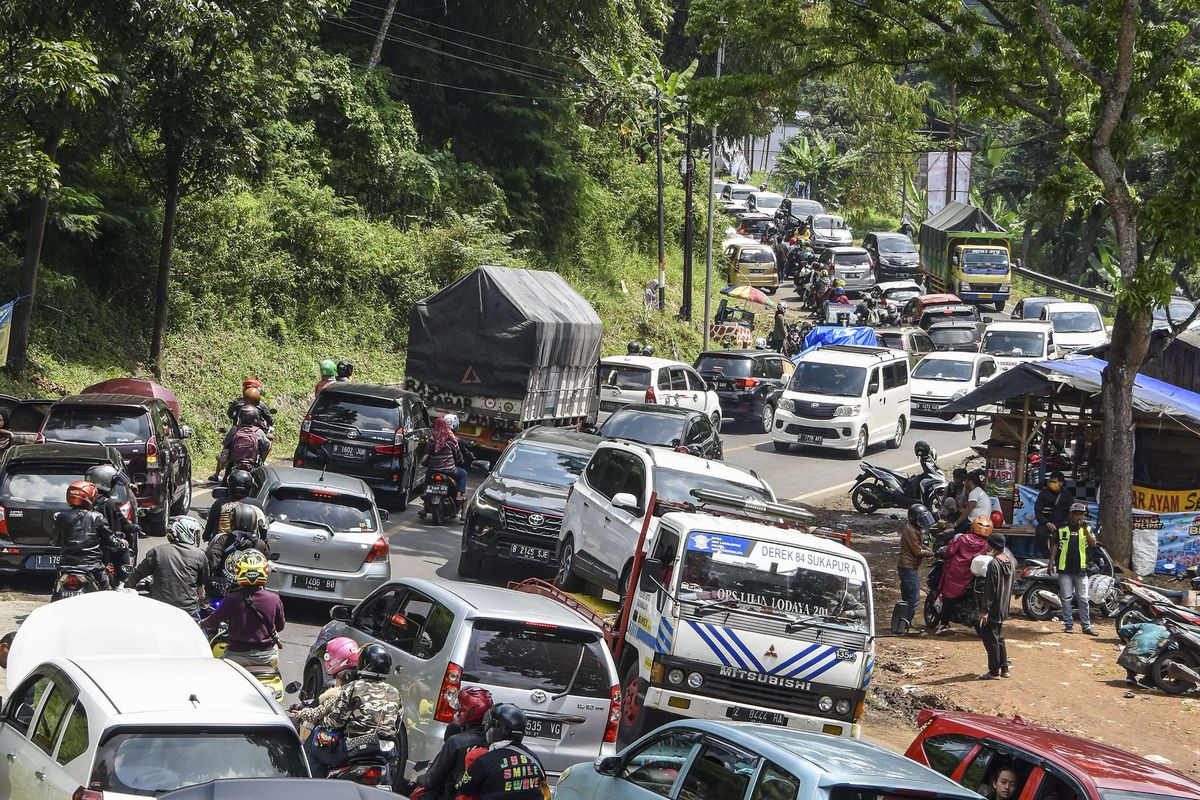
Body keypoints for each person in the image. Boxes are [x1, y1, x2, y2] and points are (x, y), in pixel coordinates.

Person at [303, 642, 402, 778]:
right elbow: (396, 726)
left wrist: (322, 720)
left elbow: (336, 721)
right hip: (386, 750)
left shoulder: (353, 687)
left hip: (356, 748)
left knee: (315, 751)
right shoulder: (395, 692)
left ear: (365, 663)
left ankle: (317, 790)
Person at [199, 549, 284, 669]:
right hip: (266, 657)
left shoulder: (232, 599)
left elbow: (213, 621)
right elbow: (280, 626)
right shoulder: (274, 599)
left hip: (236, 657)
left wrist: (200, 624)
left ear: (239, 571)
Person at [408, 687, 494, 800]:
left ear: (468, 711)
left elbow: (432, 779)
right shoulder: (494, 740)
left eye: (460, 708)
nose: (456, 711)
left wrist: (418, 778)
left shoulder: (456, 742)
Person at [453, 704, 547, 800]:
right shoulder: (534, 758)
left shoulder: (484, 761)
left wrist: (467, 766)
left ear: (494, 729)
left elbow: (462, 787)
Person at [126, 515, 209, 618]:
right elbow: (201, 590)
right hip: (188, 611)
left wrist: (126, 589)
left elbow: (136, 576)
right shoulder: (200, 555)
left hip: (159, 608)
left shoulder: (157, 551)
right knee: (200, 633)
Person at [53, 480, 127, 590]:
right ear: (89, 496)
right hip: (92, 567)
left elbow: (54, 541)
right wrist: (121, 543)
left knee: (56, 592)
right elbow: (110, 540)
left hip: (66, 566)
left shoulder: (61, 517)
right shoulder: (97, 517)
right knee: (107, 594)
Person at [290, 637, 361, 738]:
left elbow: (317, 714)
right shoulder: (370, 686)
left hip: (342, 741)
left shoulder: (338, 691)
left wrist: (301, 713)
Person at [934, 516, 993, 635]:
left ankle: (944, 625)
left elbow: (950, 551)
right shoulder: (986, 545)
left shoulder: (962, 539)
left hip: (955, 573)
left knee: (947, 597)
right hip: (971, 576)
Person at [1050, 501, 1099, 635]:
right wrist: (1051, 562)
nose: (1078, 517)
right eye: (1076, 514)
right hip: (1064, 568)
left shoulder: (1087, 528)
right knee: (1066, 598)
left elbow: (1093, 543)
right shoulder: (1062, 528)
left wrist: (1085, 530)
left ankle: (1086, 626)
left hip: (1081, 569)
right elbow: (1055, 544)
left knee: (1083, 598)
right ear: (1071, 515)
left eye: (1081, 514)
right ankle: (1069, 625)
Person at [205, 503, 270, 598]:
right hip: (249, 590)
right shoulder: (260, 543)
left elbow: (213, 557)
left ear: (232, 521)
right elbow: (267, 558)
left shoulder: (224, 538)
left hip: (223, 589)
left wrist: (204, 578)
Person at [85, 463, 142, 570]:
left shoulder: (86, 502)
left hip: (87, 546)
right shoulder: (108, 503)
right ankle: (121, 584)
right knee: (123, 550)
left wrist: (132, 527)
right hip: (104, 546)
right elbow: (116, 524)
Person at [977, 531, 1014, 679]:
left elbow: (990, 589)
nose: (986, 546)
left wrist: (985, 609)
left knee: (990, 639)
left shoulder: (994, 564)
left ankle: (994, 671)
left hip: (993, 608)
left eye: (988, 544)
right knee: (999, 638)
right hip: (1003, 606)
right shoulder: (1009, 561)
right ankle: (1004, 669)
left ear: (994, 546)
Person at [421, 416, 469, 517]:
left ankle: (425, 492)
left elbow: (427, 451)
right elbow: (457, 455)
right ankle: (459, 494)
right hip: (449, 470)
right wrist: (460, 460)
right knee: (463, 474)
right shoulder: (451, 440)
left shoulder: (432, 439)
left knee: (428, 475)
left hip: (433, 469)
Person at [898, 504, 935, 633]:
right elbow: (916, 551)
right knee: (913, 599)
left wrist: (925, 548)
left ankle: (902, 624)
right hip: (908, 567)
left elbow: (919, 547)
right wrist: (929, 553)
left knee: (907, 598)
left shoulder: (914, 528)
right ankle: (904, 626)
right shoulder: (912, 531)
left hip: (908, 567)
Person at [202, 469, 264, 542]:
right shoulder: (257, 504)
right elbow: (263, 529)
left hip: (222, 545)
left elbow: (210, 525)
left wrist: (206, 536)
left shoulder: (220, 503)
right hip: (250, 546)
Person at [1117, 620, 1170, 688]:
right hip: (1142, 662)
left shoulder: (1145, 625)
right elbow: (1171, 651)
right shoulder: (1167, 635)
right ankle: (1148, 681)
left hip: (1124, 659)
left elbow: (1123, 629)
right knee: (1168, 662)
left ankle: (1130, 676)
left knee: (1133, 650)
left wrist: (1129, 640)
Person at [1034, 471, 1072, 557]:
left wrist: (1063, 524)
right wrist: (1047, 523)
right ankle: (1047, 556)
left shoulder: (1067, 496)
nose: (1052, 484)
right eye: (1050, 481)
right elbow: (1038, 511)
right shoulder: (1043, 494)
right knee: (1040, 533)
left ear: (1061, 483)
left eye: (1054, 482)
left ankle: (1058, 557)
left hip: (1062, 524)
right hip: (1046, 523)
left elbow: (1070, 513)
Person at [953, 470, 991, 534]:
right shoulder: (977, 491)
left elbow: (967, 512)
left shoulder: (974, 492)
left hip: (975, 522)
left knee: (953, 531)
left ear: (970, 481)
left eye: (965, 480)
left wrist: (955, 524)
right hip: (978, 520)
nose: (964, 482)